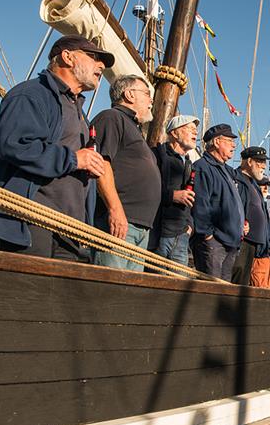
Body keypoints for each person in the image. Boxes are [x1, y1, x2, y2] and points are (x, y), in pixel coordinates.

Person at [0, 35, 113, 260]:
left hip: (70, 229)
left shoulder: (78, 110)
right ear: (68, 57)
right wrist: (75, 159)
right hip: (32, 222)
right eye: (94, 57)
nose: (102, 66)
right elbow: (15, 145)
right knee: (28, 294)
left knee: (64, 296)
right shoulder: (31, 94)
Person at [91, 75, 160, 271]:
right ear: (129, 94)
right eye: (147, 94)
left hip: (139, 227)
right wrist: (115, 209)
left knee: (129, 295)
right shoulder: (112, 118)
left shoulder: (134, 129)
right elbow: (101, 164)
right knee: (110, 292)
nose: (151, 100)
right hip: (120, 223)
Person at [190, 124, 245, 281]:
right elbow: (200, 204)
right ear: (216, 142)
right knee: (211, 293)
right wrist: (207, 236)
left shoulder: (227, 171)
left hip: (230, 243)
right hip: (214, 244)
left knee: (223, 296)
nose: (234, 145)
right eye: (229, 140)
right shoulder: (203, 167)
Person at [152, 114, 199, 266]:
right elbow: (147, 190)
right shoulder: (157, 155)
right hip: (159, 234)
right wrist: (172, 196)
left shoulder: (187, 163)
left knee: (178, 287)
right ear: (174, 133)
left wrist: (189, 227)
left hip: (181, 235)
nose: (195, 133)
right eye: (190, 129)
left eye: (195, 130)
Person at [231, 147, 269, 285]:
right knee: (237, 275)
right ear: (249, 161)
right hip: (241, 239)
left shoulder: (253, 183)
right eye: (260, 161)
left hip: (252, 242)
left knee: (244, 282)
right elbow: (234, 206)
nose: (263, 166)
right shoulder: (236, 179)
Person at [250, 177, 270, 289]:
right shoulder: (254, 206)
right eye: (262, 185)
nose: (265, 188)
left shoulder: (263, 209)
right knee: (260, 289)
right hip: (261, 257)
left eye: (267, 186)